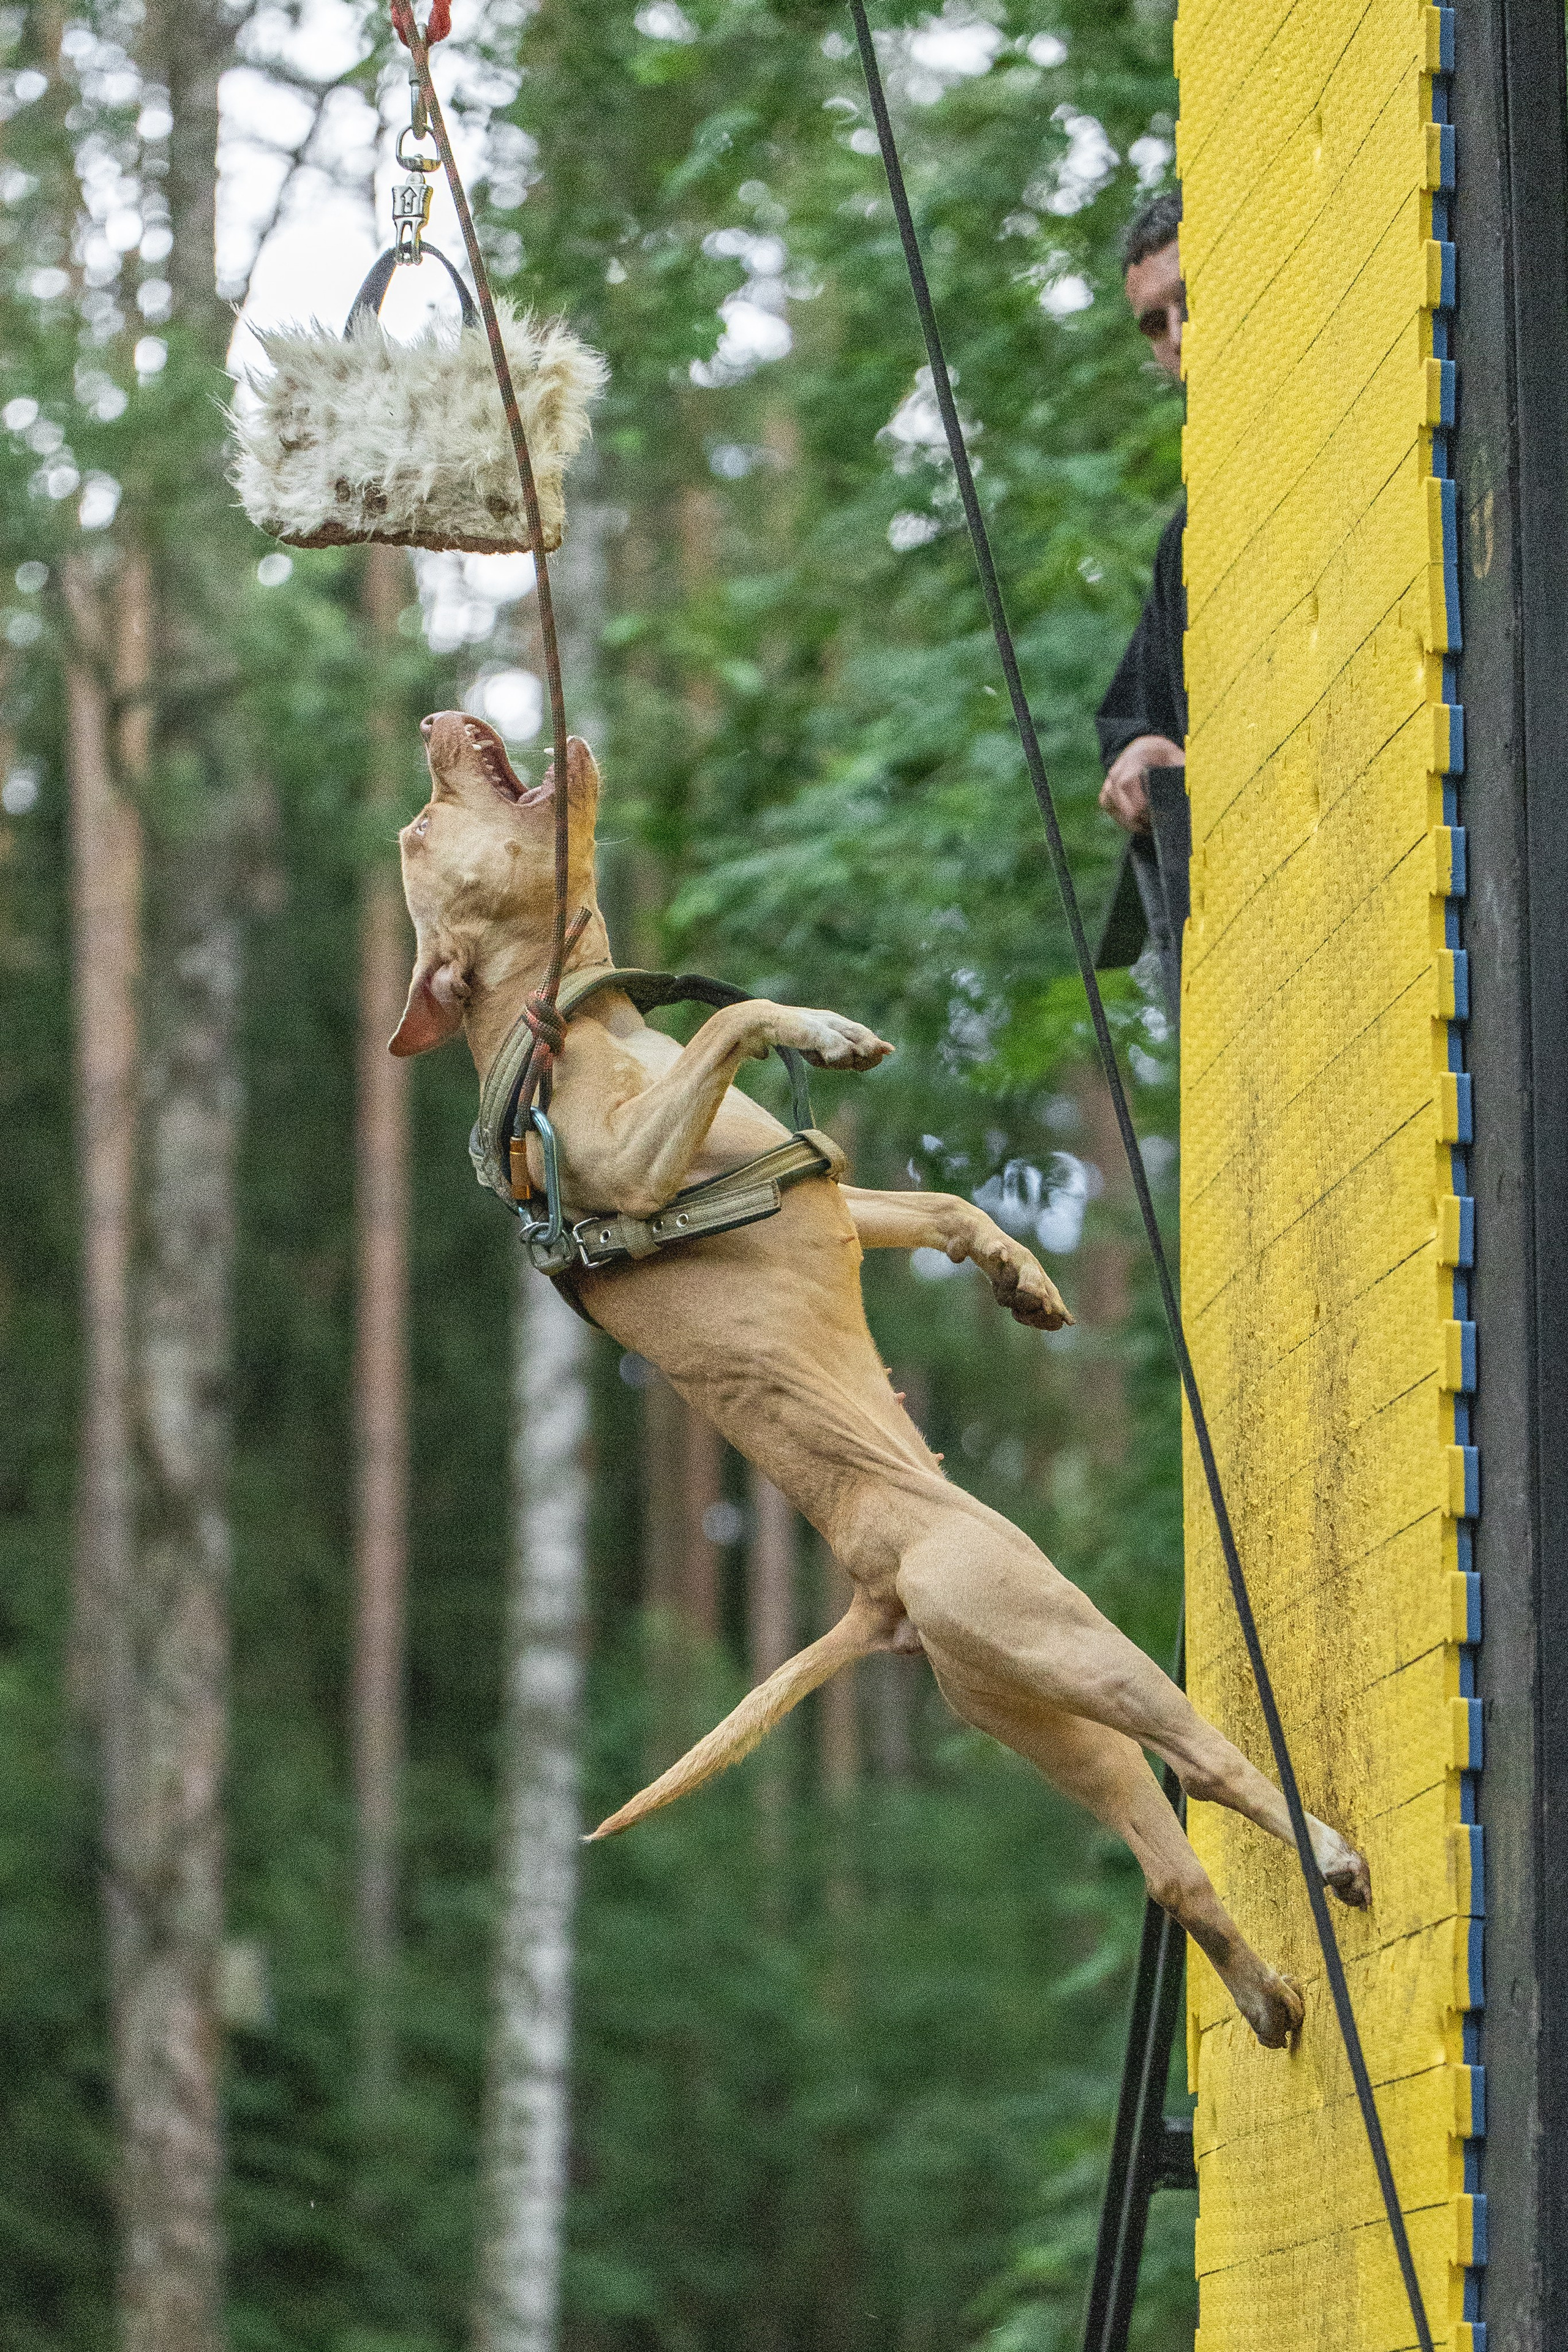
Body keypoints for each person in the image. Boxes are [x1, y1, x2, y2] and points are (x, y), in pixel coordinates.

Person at [1092, 187, 1189, 1023]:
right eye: (1155, 324)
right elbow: (1134, 721)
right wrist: (1146, 751)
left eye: (1190, 302)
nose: (1178, 339)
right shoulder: (1190, 542)